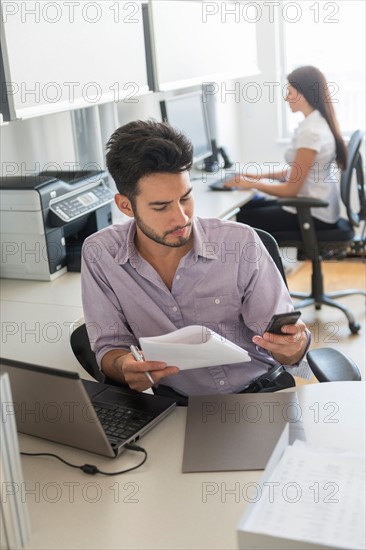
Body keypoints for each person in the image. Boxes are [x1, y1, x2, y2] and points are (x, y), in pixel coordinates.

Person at [81, 120, 310, 403]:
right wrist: (122, 366)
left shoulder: (240, 243)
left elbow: (287, 345)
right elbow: (109, 347)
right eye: (161, 207)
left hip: (261, 394)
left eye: (186, 198)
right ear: (125, 205)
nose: (181, 218)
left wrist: (293, 346)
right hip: (179, 407)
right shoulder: (100, 254)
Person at [225, 66, 348, 233]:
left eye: (290, 93)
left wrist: (252, 183)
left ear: (303, 95)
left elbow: (291, 189)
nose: (286, 98)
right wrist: (260, 176)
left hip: (313, 214)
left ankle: (268, 260)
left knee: (241, 220)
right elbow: (297, 172)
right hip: (312, 205)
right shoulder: (314, 123)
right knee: (247, 208)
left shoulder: (311, 133)